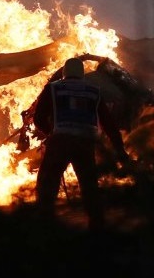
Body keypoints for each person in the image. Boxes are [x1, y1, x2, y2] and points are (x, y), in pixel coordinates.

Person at [32, 57, 129, 232]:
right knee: (89, 185)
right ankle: (97, 226)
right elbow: (108, 123)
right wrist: (119, 149)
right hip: (85, 143)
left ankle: (44, 224)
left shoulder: (53, 88)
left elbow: (38, 118)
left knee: (47, 182)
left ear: (64, 73)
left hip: (60, 141)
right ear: (82, 73)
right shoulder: (93, 91)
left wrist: (50, 133)